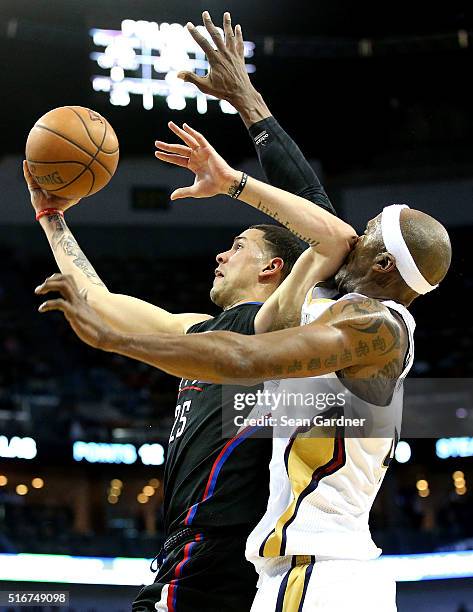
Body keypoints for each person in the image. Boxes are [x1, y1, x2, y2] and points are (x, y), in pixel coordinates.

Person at [35, 121, 451, 611]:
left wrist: (234, 178)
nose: (220, 252)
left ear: (273, 268)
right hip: (192, 552)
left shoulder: (281, 323)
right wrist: (51, 215)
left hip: (234, 559)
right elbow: (97, 299)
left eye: (237, 245)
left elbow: (333, 237)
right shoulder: (203, 330)